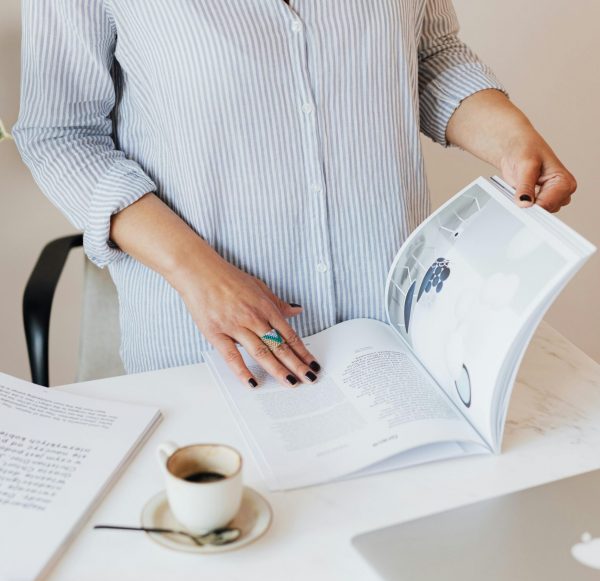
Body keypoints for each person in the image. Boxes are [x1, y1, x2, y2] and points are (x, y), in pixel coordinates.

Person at [13, 1, 576, 389]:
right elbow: (61, 134)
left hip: (398, 343)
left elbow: (428, 54)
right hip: (212, 361)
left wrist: (510, 138)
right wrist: (200, 275)